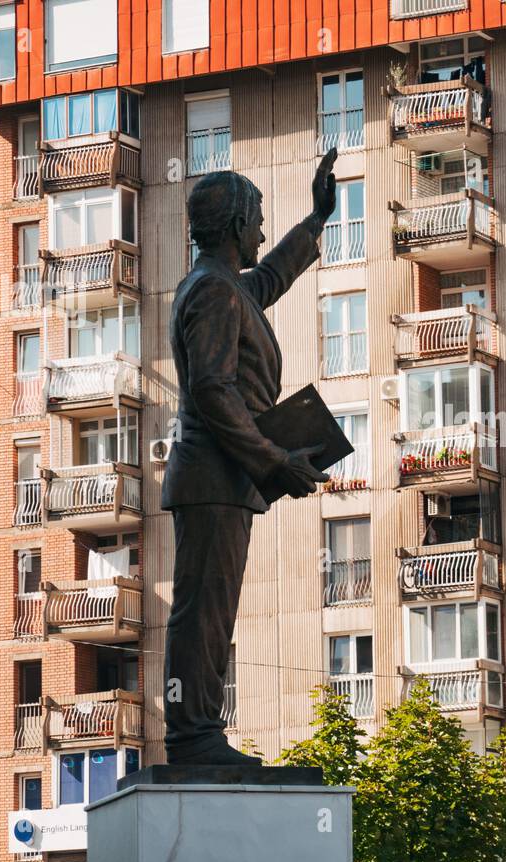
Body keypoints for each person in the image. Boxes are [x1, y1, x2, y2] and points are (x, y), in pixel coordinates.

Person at [160, 150, 339, 764]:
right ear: (235, 224)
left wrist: (315, 220)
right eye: (258, 219)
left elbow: (269, 279)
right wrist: (272, 459)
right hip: (213, 475)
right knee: (201, 614)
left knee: (212, 610)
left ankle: (200, 730)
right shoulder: (211, 290)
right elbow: (212, 390)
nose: (263, 232)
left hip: (222, 478)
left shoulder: (225, 286)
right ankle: (192, 735)